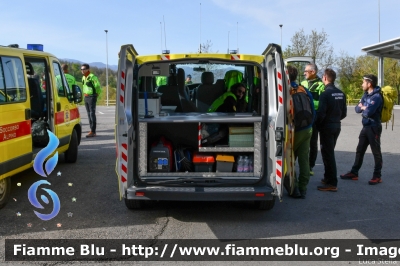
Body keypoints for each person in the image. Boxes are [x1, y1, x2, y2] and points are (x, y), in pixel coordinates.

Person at [340, 74, 383, 185]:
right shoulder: (365, 95)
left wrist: (364, 107)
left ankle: (377, 176)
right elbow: (357, 109)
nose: (362, 84)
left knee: (376, 152)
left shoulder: (377, 97)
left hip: (374, 127)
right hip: (366, 127)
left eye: (363, 82)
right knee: (360, 150)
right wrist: (364, 108)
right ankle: (354, 172)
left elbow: (368, 112)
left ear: (370, 83)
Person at [316, 68, 347, 192]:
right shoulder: (341, 93)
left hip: (327, 127)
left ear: (324, 78)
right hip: (336, 126)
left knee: (328, 155)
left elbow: (321, 113)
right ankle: (327, 178)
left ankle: (332, 183)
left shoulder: (325, 94)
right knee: (329, 153)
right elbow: (344, 113)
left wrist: (317, 125)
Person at [287, 66, 315, 199]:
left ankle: (294, 188)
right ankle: (303, 188)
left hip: (293, 130)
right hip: (307, 128)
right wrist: (310, 125)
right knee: (304, 160)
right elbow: (313, 110)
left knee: (289, 160)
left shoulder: (285, 91)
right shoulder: (303, 89)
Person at [301, 63, 325, 176]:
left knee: (313, 143)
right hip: (302, 117)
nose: (304, 73)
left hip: (314, 118)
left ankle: (310, 166)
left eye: (306, 71)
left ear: (313, 72)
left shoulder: (321, 85)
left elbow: (323, 103)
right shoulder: (303, 83)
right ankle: (303, 165)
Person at [81, 63, 101, 138]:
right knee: (89, 114)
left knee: (92, 113)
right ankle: (91, 129)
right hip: (86, 97)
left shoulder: (92, 77)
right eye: (81, 69)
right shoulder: (83, 77)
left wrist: (97, 94)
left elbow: (98, 86)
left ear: (88, 69)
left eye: (84, 69)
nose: (82, 70)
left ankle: (93, 131)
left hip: (92, 97)